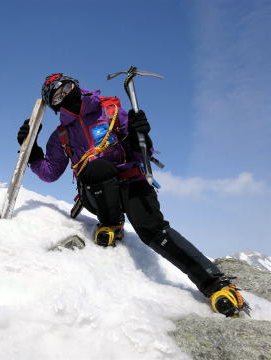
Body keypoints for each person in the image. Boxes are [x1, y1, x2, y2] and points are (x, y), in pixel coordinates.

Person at [16, 73, 249, 318]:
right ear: (53, 105)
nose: (64, 95)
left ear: (76, 84)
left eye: (66, 87)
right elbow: (50, 173)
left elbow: (140, 149)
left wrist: (142, 135)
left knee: (153, 230)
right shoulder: (61, 135)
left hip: (132, 181)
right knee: (97, 167)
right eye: (56, 95)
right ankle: (111, 224)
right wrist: (32, 152)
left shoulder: (110, 110)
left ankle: (216, 285)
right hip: (97, 193)